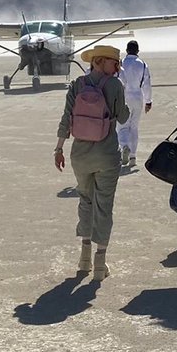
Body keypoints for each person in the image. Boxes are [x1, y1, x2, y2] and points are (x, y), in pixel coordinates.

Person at [55, 44, 129, 279]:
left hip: (80, 155)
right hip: (106, 154)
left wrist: (59, 148)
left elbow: (66, 118)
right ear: (100, 61)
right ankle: (99, 263)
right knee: (104, 206)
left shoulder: (77, 84)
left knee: (85, 202)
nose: (117, 67)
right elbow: (123, 117)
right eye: (114, 62)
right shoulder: (115, 85)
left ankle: (84, 259)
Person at [117, 39, 153, 167]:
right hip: (138, 97)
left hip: (124, 97)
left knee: (122, 126)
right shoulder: (143, 64)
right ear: (138, 51)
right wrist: (148, 101)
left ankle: (124, 146)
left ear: (126, 50)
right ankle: (133, 156)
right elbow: (147, 84)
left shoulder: (121, 63)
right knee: (134, 127)